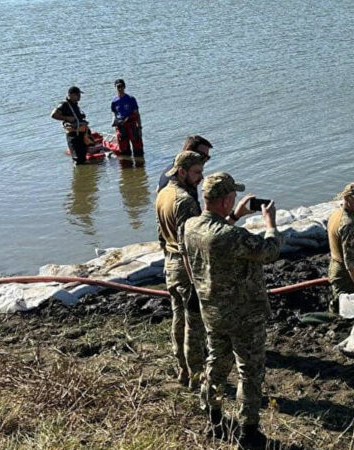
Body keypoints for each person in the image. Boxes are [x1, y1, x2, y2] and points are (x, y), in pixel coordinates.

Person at [183, 172, 282, 449]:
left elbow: (216, 238)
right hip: (244, 315)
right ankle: (249, 432)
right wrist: (270, 223)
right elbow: (270, 251)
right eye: (233, 197)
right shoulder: (232, 236)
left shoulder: (190, 226)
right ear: (226, 200)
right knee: (249, 371)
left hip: (212, 312)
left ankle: (213, 417)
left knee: (217, 362)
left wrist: (235, 216)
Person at [155, 151, 208, 390]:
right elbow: (190, 244)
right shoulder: (185, 201)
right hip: (186, 267)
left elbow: (160, 235)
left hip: (170, 263)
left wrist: (168, 258)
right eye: (197, 172)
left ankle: (183, 371)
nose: (201, 177)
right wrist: (198, 280)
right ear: (182, 172)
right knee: (194, 324)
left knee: (178, 318)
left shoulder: (163, 193)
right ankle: (196, 375)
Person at [326, 183, 354, 313]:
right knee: (346, 310)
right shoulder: (348, 225)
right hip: (344, 274)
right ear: (348, 199)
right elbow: (351, 262)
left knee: (339, 303)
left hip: (334, 266)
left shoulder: (336, 215)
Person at [51, 86, 91, 165]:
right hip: (73, 136)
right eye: (77, 94)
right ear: (71, 95)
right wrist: (66, 118)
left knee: (83, 157)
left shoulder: (75, 105)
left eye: (79, 94)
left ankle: (83, 176)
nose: (79, 96)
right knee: (78, 159)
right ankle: (79, 174)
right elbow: (53, 114)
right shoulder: (64, 104)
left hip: (81, 134)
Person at [110, 79, 143, 156]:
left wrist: (140, 128)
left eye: (121, 86)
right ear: (115, 87)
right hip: (121, 127)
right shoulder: (114, 101)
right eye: (118, 87)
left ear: (124, 87)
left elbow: (137, 114)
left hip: (132, 126)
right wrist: (114, 122)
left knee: (138, 150)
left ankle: (140, 166)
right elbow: (114, 113)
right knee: (124, 151)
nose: (120, 89)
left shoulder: (131, 99)